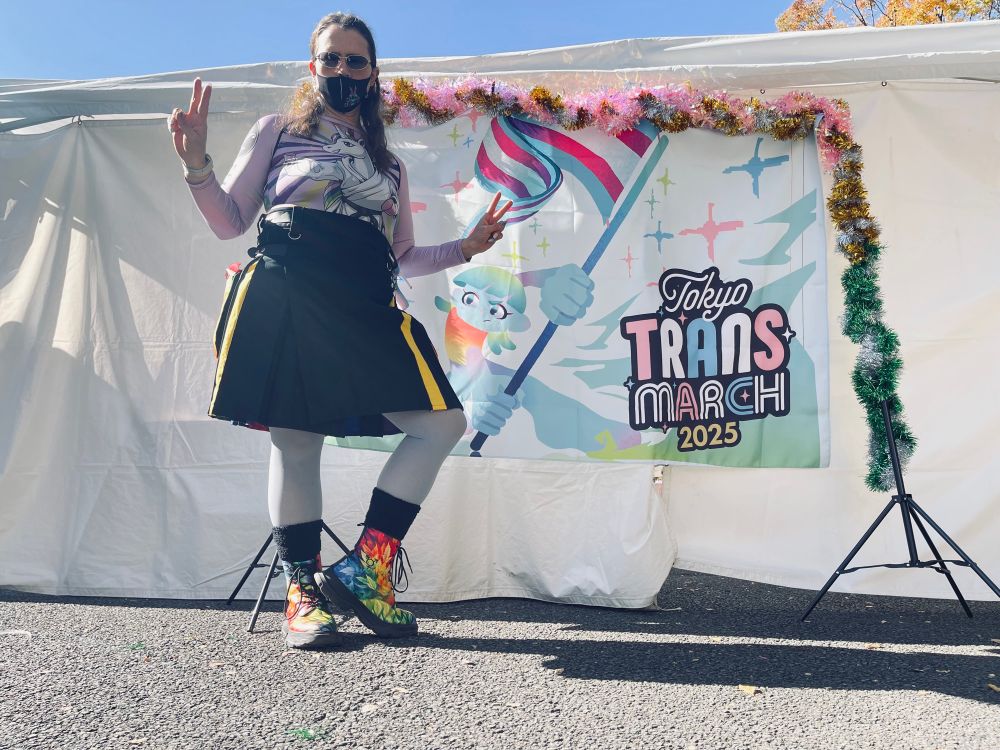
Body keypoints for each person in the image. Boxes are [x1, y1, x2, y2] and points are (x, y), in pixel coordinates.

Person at [169, 12, 511, 649]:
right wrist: (197, 166)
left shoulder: (390, 165)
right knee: (297, 440)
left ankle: (364, 568)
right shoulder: (277, 130)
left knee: (441, 423)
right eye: (332, 59)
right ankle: (302, 592)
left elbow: (403, 255)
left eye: (356, 62)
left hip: (364, 300)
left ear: (373, 72)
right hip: (289, 287)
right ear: (314, 67)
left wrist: (465, 246)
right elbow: (230, 220)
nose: (343, 71)